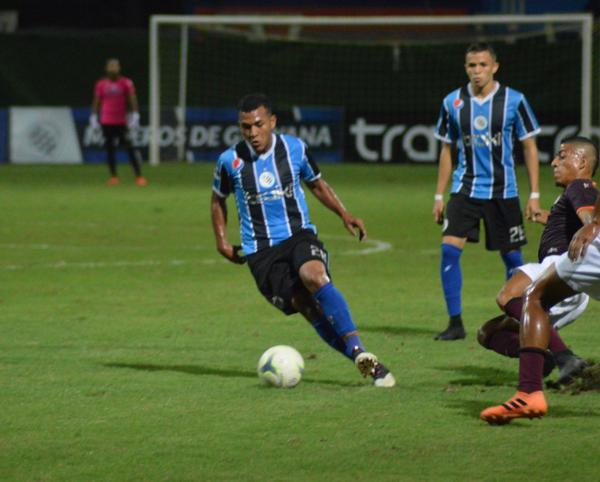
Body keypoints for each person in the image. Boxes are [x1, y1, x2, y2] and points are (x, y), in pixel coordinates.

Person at [210, 93, 395, 387]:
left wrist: (344, 213)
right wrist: (221, 241)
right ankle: (364, 362)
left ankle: (360, 349)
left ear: (272, 122)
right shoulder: (228, 161)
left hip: (298, 234)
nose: (253, 133)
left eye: (258, 125)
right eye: (246, 127)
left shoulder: (295, 148)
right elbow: (217, 199)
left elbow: (316, 184)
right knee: (306, 307)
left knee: (315, 276)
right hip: (261, 252)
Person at [480, 137, 599, 424]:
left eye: (562, 156)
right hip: (573, 275)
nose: (554, 162)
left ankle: (554, 365)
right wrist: (550, 218)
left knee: (516, 296)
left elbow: (588, 217)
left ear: (582, 162)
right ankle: (546, 360)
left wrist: (593, 225)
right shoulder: (572, 194)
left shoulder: (580, 186)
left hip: (565, 263)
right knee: (489, 332)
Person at [432, 42, 541, 341]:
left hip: (503, 192)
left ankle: (517, 318)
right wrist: (439, 195)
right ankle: (455, 323)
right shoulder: (452, 102)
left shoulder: (514, 100)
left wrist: (534, 194)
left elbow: (529, 147)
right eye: (472, 65)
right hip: (465, 189)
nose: (477, 71)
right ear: (465, 68)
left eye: (483, 65)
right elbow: (447, 150)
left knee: (513, 260)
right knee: (449, 250)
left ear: (495, 67)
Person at [90, 58, 147, 186]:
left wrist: (135, 114)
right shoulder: (101, 84)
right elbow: (96, 101)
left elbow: (132, 98)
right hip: (107, 121)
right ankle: (114, 177)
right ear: (106, 69)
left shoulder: (126, 83)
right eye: (111, 66)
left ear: (119, 68)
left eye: (115, 66)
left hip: (121, 121)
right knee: (110, 149)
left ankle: (139, 176)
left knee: (130, 148)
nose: (113, 69)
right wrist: (93, 117)